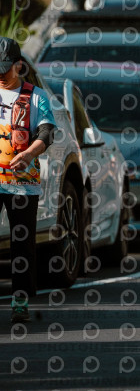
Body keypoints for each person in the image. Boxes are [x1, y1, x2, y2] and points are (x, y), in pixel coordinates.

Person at [0, 37, 56, 323]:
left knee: (21, 243)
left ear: (19, 66)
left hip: (22, 183)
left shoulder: (36, 97)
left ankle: (20, 302)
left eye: (5, 69)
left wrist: (30, 153)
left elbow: (47, 133)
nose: (1, 75)